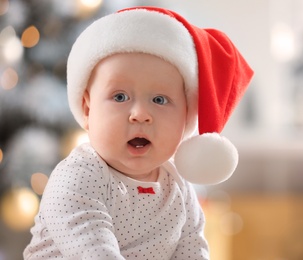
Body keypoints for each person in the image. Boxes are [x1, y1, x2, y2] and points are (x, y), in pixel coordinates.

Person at [24, 6, 253, 259]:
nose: (140, 114)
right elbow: (93, 250)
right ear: (88, 109)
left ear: (185, 117)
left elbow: (192, 249)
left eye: (159, 99)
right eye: (120, 96)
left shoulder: (178, 187)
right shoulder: (79, 177)